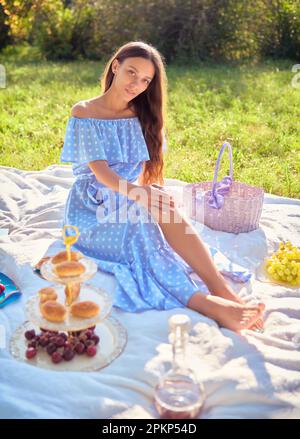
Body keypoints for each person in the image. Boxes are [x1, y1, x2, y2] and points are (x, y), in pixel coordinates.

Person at [60, 41, 264, 333]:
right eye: (131, 72)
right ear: (115, 66)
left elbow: (145, 174)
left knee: (164, 208)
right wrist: (141, 195)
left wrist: (152, 193)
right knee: (140, 222)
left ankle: (221, 290)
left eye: (146, 80)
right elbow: (102, 174)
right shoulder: (84, 111)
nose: (137, 84)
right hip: (92, 208)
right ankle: (206, 303)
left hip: (129, 193)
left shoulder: (141, 115)